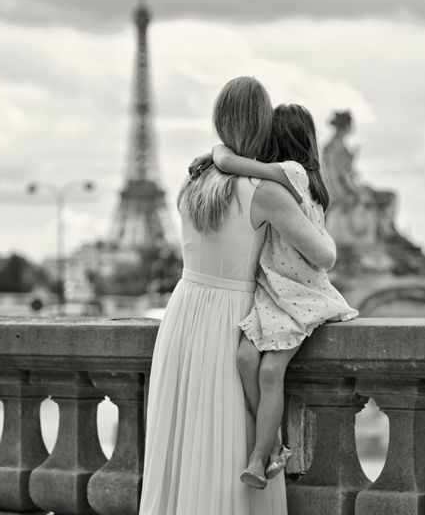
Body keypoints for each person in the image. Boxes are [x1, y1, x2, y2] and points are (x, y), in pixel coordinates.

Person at [139, 79, 336, 515]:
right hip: (230, 317)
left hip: (183, 313)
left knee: (181, 448)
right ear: (263, 125)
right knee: (225, 448)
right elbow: (323, 254)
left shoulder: (192, 184)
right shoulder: (264, 192)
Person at [192, 103, 358, 489]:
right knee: (246, 359)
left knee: (268, 370)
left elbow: (228, 161)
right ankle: (276, 445)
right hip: (274, 291)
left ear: (278, 140)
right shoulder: (297, 180)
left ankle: (258, 455)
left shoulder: (293, 173)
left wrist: (211, 155)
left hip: (300, 294)